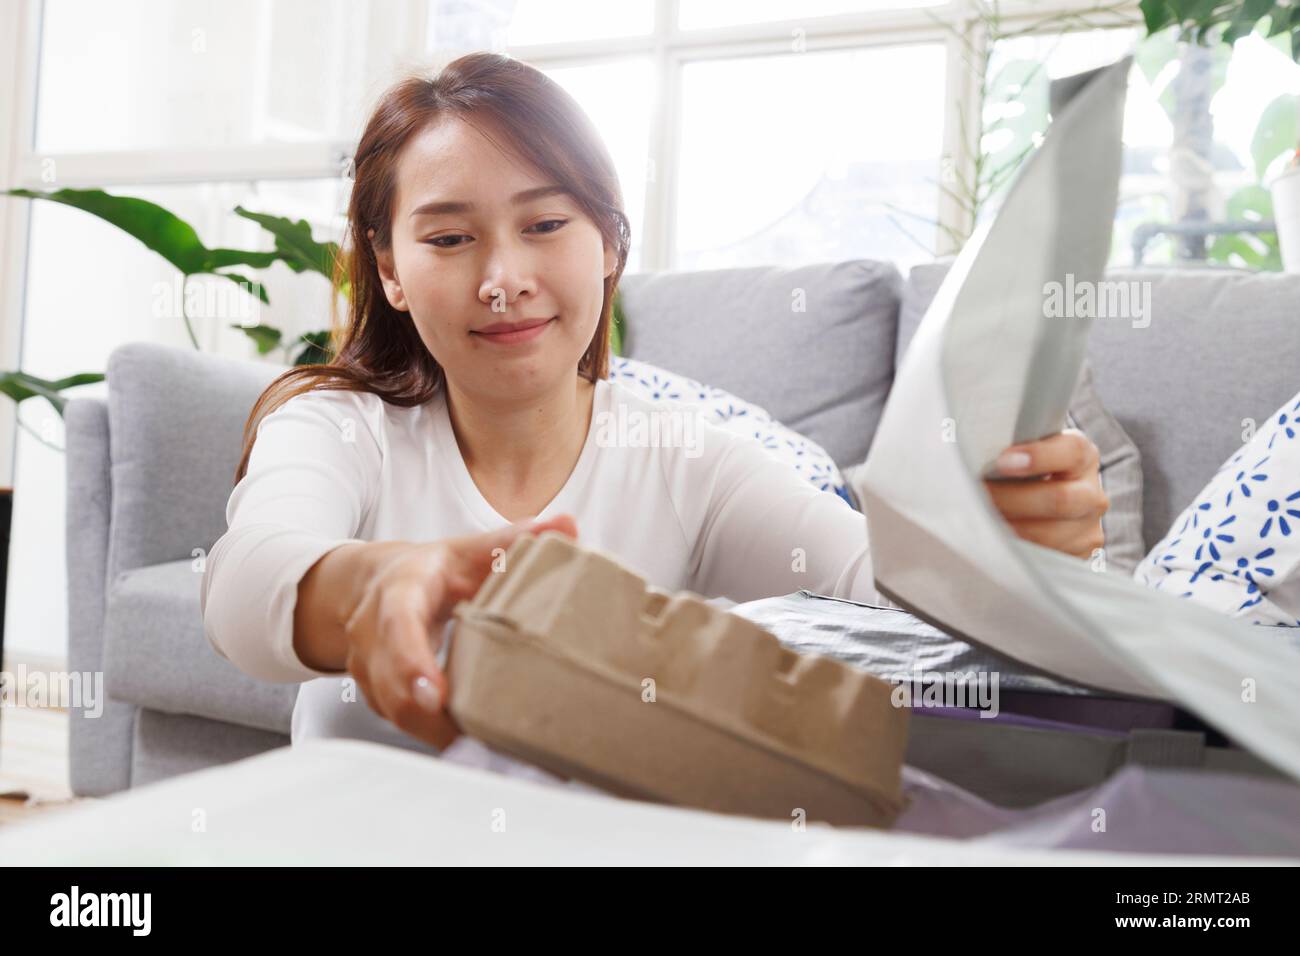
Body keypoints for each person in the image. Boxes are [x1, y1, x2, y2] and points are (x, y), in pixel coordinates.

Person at [200, 52, 1108, 760]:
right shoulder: (336, 428)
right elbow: (248, 585)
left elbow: (881, 591)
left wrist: (1014, 548)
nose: (503, 280)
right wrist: (377, 584)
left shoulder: (683, 456)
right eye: (448, 238)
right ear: (390, 269)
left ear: (609, 245)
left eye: (546, 225)